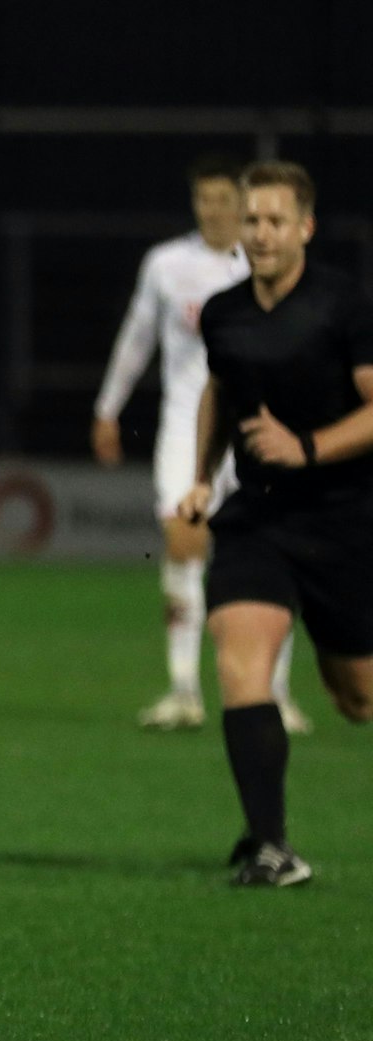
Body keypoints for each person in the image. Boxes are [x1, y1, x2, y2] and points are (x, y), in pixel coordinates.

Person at [180, 160, 373, 887]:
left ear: (304, 227)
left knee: (357, 698)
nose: (259, 233)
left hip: (343, 520)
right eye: (251, 220)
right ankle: (271, 844)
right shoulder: (225, 312)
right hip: (257, 516)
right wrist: (200, 479)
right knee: (241, 655)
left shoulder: (344, 306)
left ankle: (268, 837)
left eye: (273, 221)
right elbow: (220, 396)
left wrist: (310, 447)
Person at [94, 156, 308, 733]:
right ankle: (185, 689)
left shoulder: (263, 262)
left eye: (224, 199)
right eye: (204, 199)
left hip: (260, 423)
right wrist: (107, 409)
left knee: (270, 553)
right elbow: (137, 338)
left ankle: (276, 693)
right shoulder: (167, 264)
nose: (215, 209)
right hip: (186, 423)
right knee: (184, 542)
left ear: (243, 205)